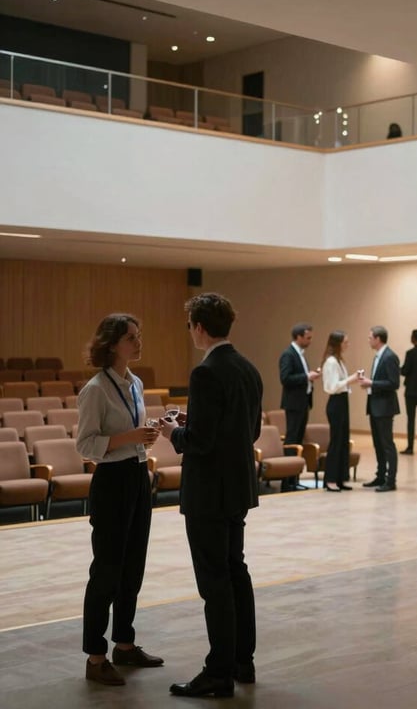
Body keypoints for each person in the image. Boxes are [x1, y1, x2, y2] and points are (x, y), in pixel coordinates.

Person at [160, 292, 263, 698]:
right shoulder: (247, 368)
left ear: (200, 327)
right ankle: (243, 660)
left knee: (214, 580)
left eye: (190, 326)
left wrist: (173, 432)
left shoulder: (205, 372)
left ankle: (218, 671)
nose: (191, 333)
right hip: (238, 487)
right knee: (235, 570)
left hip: (208, 493)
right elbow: (247, 431)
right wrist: (197, 422)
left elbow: (199, 441)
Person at [77, 313, 163, 686]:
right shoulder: (95, 389)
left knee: (133, 567)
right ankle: (96, 656)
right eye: (131, 336)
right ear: (112, 344)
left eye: (138, 335)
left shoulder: (136, 384)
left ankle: (124, 645)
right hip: (111, 481)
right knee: (107, 570)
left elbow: (131, 434)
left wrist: (146, 437)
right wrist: (130, 437)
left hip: (137, 476)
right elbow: (85, 445)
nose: (138, 341)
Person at [279, 322, 321, 491]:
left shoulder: (300, 354)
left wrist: (308, 377)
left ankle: (295, 478)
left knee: (298, 441)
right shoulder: (288, 354)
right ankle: (287, 480)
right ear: (298, 337)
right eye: (308, 337)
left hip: (303, 403)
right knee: (292, 440)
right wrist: (307, 376)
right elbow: (285, 378)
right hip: (294, 404)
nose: (310, 341)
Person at [359, 326, 400, 492]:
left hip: (384, 407)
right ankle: (380, 475)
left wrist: (372, 383)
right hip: (375, 405)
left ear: (378, 339)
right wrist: (370, 385)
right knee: (378, 443)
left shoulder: (390, 357)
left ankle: (391, 480)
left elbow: (394, 383)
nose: (368, 340)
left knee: (387, 444)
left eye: (370, 337)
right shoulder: (378, 356)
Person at [321, 330, 360, 491]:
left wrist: (351, 380)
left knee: (343, 441)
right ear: (337, 343)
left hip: (343, 401)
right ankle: (330, 479)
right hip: (336, 403)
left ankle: (340, 477)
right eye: (345, 342)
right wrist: (351, 379)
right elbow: (332, 387)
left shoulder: (339, 361)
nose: (347, 345)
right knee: (336, 442)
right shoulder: (330, 362)